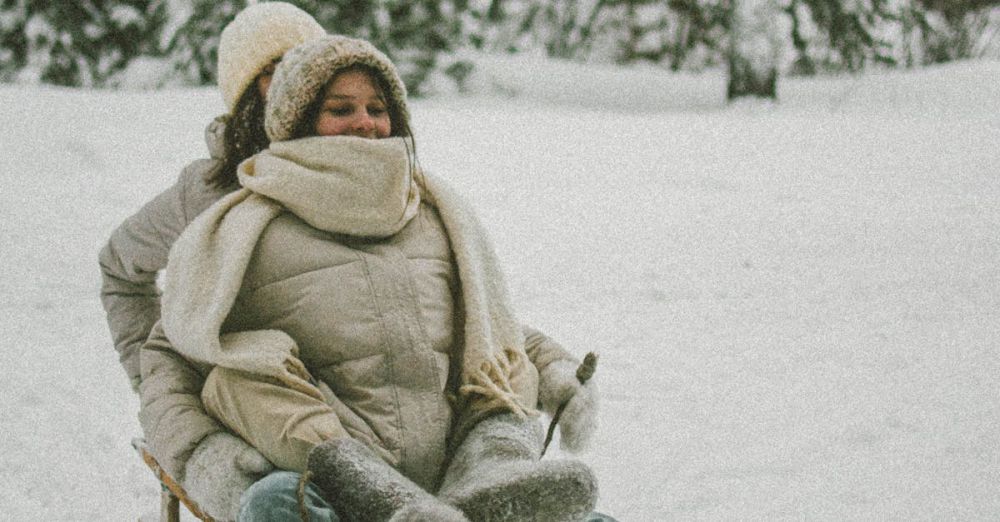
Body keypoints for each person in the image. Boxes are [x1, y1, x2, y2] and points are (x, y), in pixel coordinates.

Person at [148, 34, 609, 522]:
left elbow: (488, 324)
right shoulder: (246, 230)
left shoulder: (434, 213)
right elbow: (172, 357)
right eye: (341, 109)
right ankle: (388, 499)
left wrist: (556, 369)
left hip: (456, 465)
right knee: (239, 387)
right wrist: (204, 457)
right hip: (338, 483)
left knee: (506, 368)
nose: (365, 123)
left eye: (377, 108)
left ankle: (489, 477)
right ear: (300, 119)